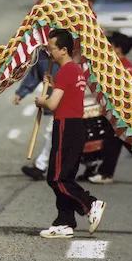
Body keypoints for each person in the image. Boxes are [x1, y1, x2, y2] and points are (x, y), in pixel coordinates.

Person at [34, 29, 106, 238]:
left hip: (66, 126)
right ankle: (64, 222)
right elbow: (68, 96)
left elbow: (53, 103)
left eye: (51, 48)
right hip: (76, 126)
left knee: (56, 178)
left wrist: (42, 101)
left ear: (64, 50)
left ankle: (90, 203)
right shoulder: (75, 71)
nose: (48, 52)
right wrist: (53, 83)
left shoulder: (65, 71)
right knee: (65, 175)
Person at [87, 32, 132, 185]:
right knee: (121, 141)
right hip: (113, 111)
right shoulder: (114, 65)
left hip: (122, 112)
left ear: (118, 49)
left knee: (116, 141)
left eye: (111, 46)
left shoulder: (125, 68)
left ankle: (106, 173)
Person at [14, 50, 59, 181]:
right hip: (55, 102)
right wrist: (21, 93)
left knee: (55, 133)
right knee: (53, 133)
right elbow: (34, 75)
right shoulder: (43, 56)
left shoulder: (68, 53)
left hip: (69, 102)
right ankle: (41, 165)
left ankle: (41, 165)